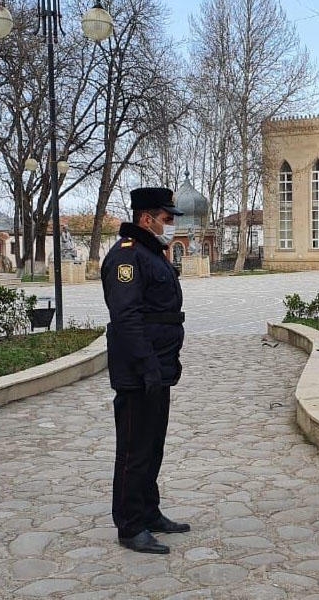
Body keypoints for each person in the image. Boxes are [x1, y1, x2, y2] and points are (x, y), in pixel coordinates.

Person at [100, 187, 188, 555]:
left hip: (157, 368)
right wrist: (148, 366)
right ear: (146, 218)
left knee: (152, 447)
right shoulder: (126, 257)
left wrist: (164, 364)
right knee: (134, 450)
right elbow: (127, 318)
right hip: (139, 371)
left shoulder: (152, 254)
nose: (170, 226)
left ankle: (149, 511)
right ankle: (130, 524)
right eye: (166, 219)